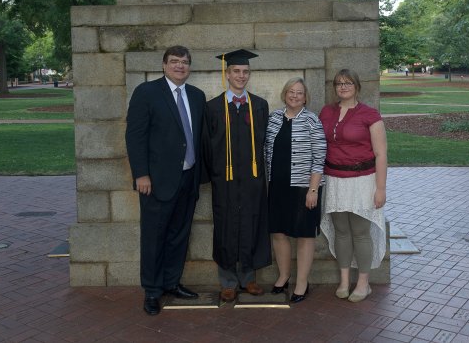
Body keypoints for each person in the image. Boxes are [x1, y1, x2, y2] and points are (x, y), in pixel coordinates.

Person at [125, 45, 206, 316]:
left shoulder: (196, 96)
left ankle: (172, 282)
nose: (180, 66)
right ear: (163, 65)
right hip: (156, 181)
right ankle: (152, 290)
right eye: (174, 61)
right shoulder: (146, 92)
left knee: (179, 235)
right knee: (154, 236)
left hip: (188, 178)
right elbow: (135, 136)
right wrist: (141, 174)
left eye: (184, 62)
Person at [203, 49, 271, 302]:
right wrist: (213, 176)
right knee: (226, 226)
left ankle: (249, 278)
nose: (241, 76)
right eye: (236, 71)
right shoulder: (212, 107)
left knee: (253, 223)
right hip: (226, 180)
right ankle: (228, 281)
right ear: (227, 74)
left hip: (253, 180)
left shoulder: (260, 106)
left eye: (245, 72)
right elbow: (206, 147)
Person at [319, 69, 388, 303]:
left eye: (348, 83)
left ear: (357, 86)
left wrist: (380, 188)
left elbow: (380, 154)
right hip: (335, 180)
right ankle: (344, 280)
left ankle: (363, 283)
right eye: (339, 83)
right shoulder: (326, 112)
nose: (343, 87)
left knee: (360, 233)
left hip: (362, 181)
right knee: (341, 232)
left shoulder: (370, 114)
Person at [264, 77, 326, 303]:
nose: (294, 95)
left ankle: (302, 282)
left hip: (303, 188)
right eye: (291, 91)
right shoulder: (273, 119)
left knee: (304, 235)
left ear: (305, 97)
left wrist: (313, 189)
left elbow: (319, 158)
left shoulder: (312, 121)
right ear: (284, 94)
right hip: (277, 186)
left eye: (299, 92)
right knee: (279, 233)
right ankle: (283, 276)